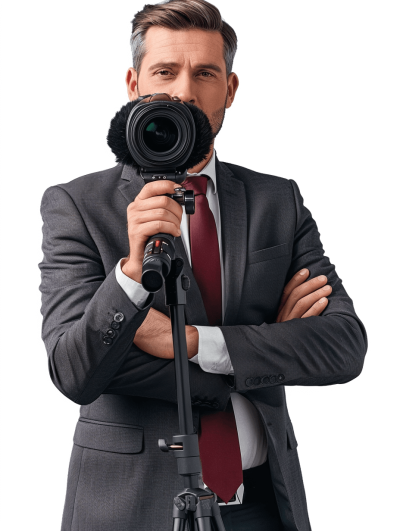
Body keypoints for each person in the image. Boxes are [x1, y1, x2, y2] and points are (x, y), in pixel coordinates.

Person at [38, 1, 367, 530]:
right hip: (130, 509)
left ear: (230, 89)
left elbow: (344, 346)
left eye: (205, 73)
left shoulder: (276, 201)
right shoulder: (77, 205)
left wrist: (190, 342)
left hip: (262, 507)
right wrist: (128, 275)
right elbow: (76, 371)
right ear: (134, 83)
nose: (185, 92)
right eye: (165, 72)